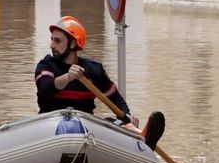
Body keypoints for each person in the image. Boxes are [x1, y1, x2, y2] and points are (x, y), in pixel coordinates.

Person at [35, 16, 165, 150]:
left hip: (85, 125)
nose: (52, 45)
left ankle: (140, 136)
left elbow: (113, 97)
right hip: (51, 123)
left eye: (57, 41)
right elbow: (45, 88)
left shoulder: (94, 70)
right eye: (52, 39)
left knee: (115, 123)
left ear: (73, 44)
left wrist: (126, 115)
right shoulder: (46, 65)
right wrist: (67, 77)